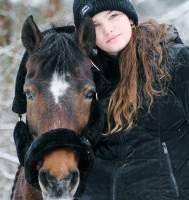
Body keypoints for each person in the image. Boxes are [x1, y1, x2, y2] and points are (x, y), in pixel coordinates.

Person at [72, 0, 189, 199]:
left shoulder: (174, 61)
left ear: (129, 17)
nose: (108, 29)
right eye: (95, 25)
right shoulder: (85, 83)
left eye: (113, 16)